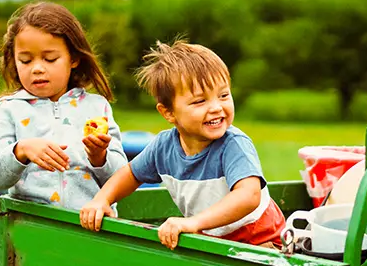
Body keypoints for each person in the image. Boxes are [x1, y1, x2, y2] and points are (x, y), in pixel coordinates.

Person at [79, 39, 284, 249]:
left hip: (261, 242)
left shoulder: (233, 144)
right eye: (199, 101)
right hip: (214, 241)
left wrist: (194, 222)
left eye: (223, 95)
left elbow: (249, 195)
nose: (216, 107)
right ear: (168, 112)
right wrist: (102, 199)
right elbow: (130, 174)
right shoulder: (164, 147)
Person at [0, 2, 126, 209]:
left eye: (50, 59)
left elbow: (121, 179)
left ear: (74, 58)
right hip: (33, 228)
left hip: (91, 230)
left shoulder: (97, 107)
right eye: (25, 61)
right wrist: (21, 150)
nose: (37, 69)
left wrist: (99, 157)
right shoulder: (8, 110)